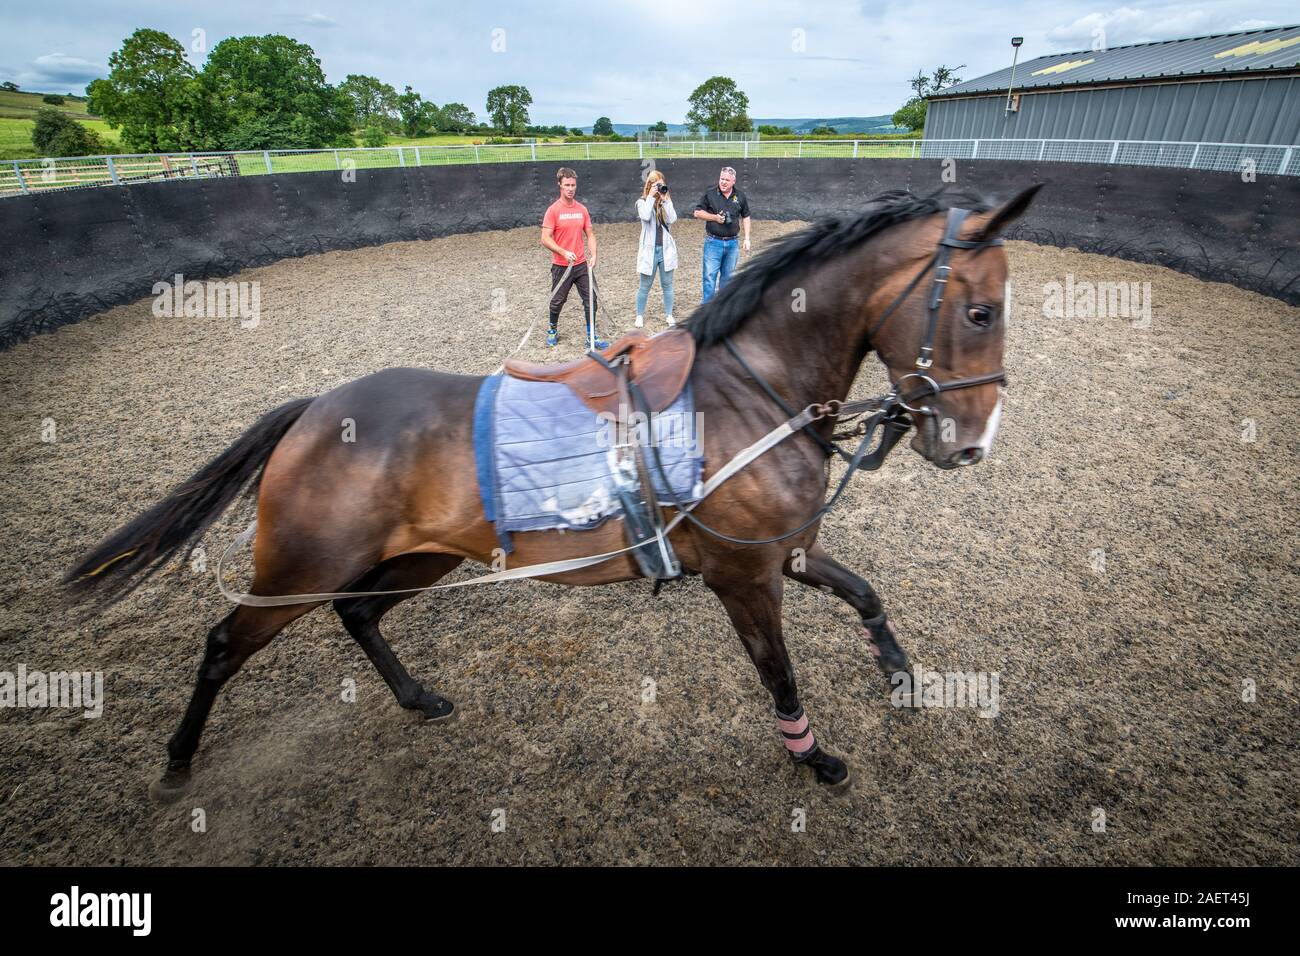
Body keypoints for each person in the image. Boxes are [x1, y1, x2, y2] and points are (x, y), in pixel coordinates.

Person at [541, 167, 606, 349]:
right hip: (562, 266)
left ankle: (591, 336)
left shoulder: (582, 209)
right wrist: (563, 252)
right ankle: (552, 329)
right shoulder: (553, 210)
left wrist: (594, 255)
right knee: (557, 301)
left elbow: (590, 234)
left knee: (591, 300)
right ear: (560, 185)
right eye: (567, 185)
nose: (570, 188)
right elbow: (545, 238)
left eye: (573, 185)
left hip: (581, 265)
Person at [693, 165, 751, 303]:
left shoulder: (740, 196)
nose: (723, 182)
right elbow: (697, 212)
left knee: (728, 278)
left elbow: (746, 216)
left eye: (727, 180)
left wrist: (747, 238)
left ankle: (721, 309)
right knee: (709, 277)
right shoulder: (710, 194)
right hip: (713, 242)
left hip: (732, 243)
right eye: (721, 179)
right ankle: (706, 310)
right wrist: (715, 218)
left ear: (733, 181)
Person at [634, 170, 677, 328]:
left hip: (665, 250)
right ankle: (639, 315)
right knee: (644, 286)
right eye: (655, 184)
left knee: (667, 284)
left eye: (660, 184)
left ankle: (669, 314)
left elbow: (673, 219)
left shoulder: (666, 201)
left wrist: (665, 200)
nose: (658, 187)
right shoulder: (642, 202)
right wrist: (651, 196)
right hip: (649, 251)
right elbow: (645, 216)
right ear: (649, 186)